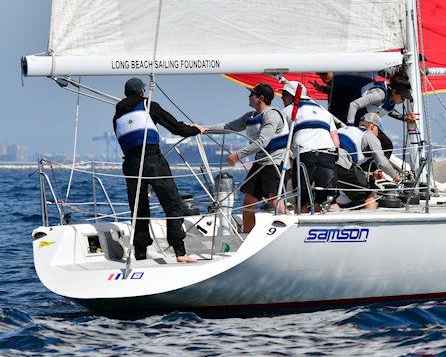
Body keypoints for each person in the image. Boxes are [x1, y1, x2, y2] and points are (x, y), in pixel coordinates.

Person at [113, 78, 205, 262]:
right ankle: (180, 253)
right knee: (172, 205)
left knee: (139, 210)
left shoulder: (116, 116)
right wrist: (196, 130)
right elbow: (176, 127)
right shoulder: (148, 105)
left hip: (130, 164)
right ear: (141, 91)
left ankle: (140, 255)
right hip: (152, 160)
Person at [208, 83, 289, 232]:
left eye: (252, 94)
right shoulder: (249, 116)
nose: (248, 96)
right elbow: (229, 127)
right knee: (247, 203)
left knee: (275, 200)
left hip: (274, 162)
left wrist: (237, 155)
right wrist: (204, 130)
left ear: (261, 98)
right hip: (260, 163)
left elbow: (262, 142)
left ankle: (289, 233)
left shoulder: (271, 115)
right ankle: (247, 237)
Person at [279, 81, 340, 211]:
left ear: (293, 95)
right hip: (328, 155)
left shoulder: (287, 111)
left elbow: (282, 139)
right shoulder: (324, 111)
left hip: (304, 156)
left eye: (284, 94)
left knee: (302, 201)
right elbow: (336, 142)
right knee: (329, 200)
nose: (281, 97)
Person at [336, 113, 403, 209]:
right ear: (373, 127)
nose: (377, 135)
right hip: (341, 164)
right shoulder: (368, 134)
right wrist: (396, 177)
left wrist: (370, 175)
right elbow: (382, 162)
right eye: (378, 131)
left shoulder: (344, 130)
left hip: (326, 163)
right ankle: (370, 222)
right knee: (368, 195)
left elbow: (350, 167)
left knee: (327, 198)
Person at [346, 74, 415, 154]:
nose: (403, 101)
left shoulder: (392, 98)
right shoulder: (379, 95)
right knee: (375, 144)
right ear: (394, 91)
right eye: (402, 97)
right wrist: (350, 127)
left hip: (367, 123)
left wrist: (404, 118)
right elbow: (353, 104)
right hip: (354, 120)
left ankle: (376, 165)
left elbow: (388, 110)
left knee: (387, 146)